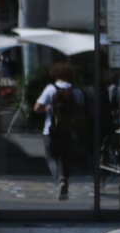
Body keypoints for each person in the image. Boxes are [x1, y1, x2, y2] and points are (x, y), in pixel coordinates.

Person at [33, 61, 86, 201]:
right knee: (65, 158)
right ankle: (65, 182)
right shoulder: (76, 91)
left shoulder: (51, 89)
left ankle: (59, 180)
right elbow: (81, 112)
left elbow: (36, 108)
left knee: (51, 157)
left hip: (51, 129)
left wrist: (47, 109)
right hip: (68, 130)